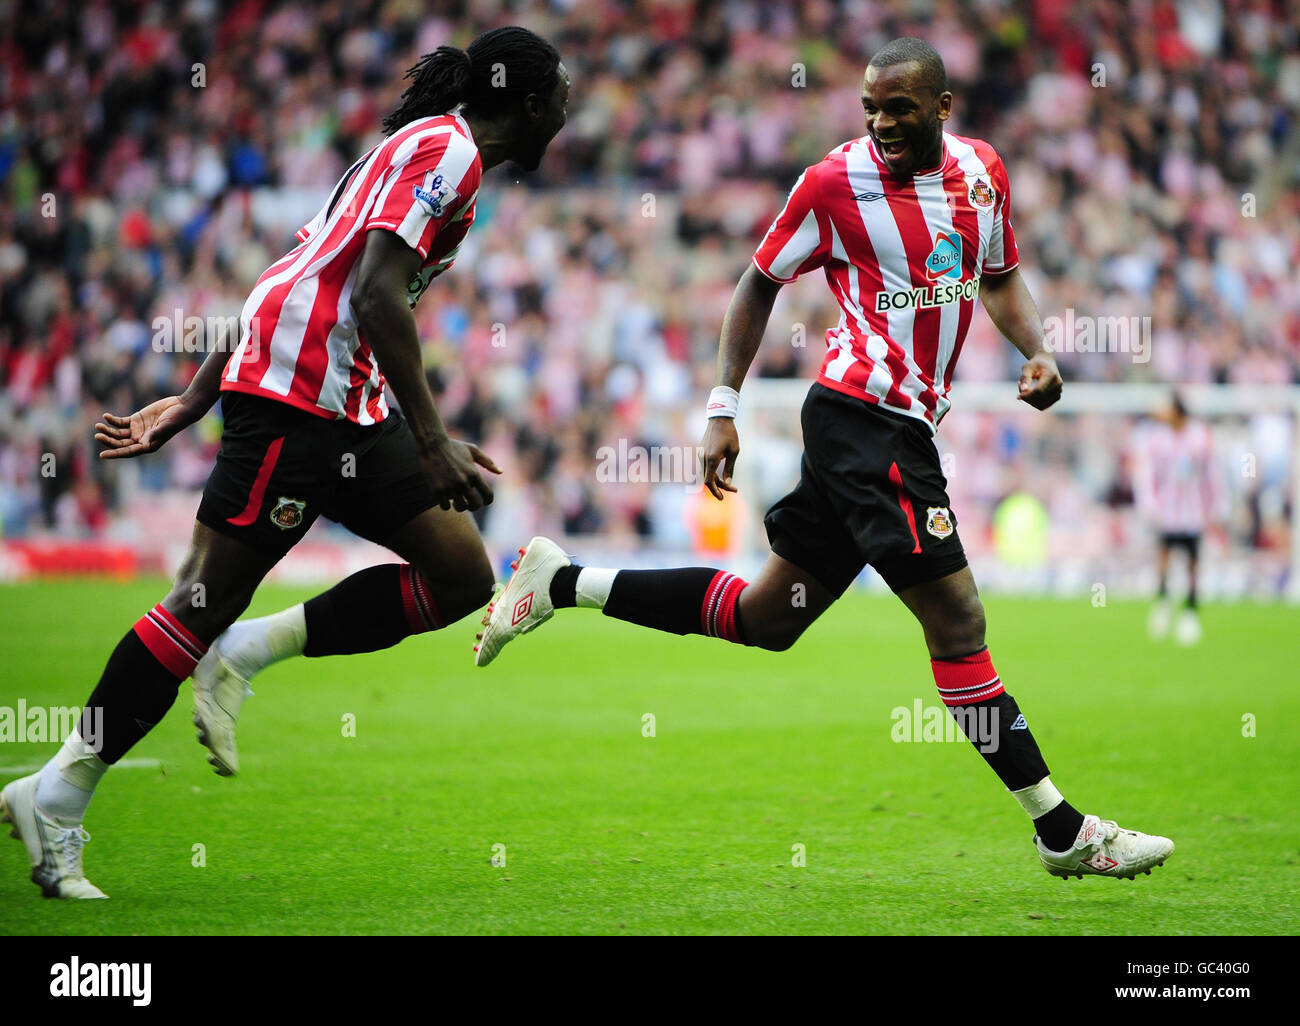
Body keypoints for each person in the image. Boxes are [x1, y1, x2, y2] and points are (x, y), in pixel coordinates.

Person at [475, 38, 1173, 882]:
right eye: (871, 107)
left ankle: (558, 582)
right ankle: (1061, 829)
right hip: (862, 419)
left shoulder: (982, 174)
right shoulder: (834, 182)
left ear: (943, 109)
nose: (881, 122)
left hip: (897, 426)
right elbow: (758, 280)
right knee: (959, 624)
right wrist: (723, 406)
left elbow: (998, 278)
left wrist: (1041, 350)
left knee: (769, 619)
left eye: (900, 108)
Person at [1, 26, 570, 899]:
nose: (568, 113)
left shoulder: (416, 151)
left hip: (350, 400)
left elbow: (293, 270)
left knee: (459, 574)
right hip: (296, 400)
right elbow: (377, 295)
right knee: (198, 599)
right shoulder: (446, 154)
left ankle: (248, 652)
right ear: (529, 103)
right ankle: (60, 797)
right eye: (559, 98)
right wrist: (430, 438)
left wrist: (194, 398)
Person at [1136, 392, 1219, 644]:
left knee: (1193, 562)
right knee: (1163, 557)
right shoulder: (1158, 439)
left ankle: (1190, 612)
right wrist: (1150, 503)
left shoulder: (1200, 437)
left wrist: (1215, 506)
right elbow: (1148, 473)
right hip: (1168, 512)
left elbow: (1211, 474)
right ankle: (1162, 602)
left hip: (1193, 512)